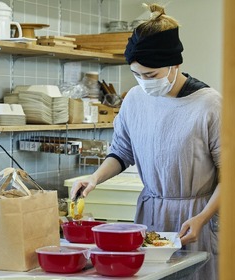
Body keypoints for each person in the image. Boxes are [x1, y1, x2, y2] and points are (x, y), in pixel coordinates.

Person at [70, 3, 220, 280]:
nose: (144, 82)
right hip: (151, 216)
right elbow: (121, 152)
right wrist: (94, 179)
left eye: (151, 75)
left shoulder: (209, 105)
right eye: (136, 75)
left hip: (197, 218)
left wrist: (203, 217)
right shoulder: (135, 100)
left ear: (175, 64)